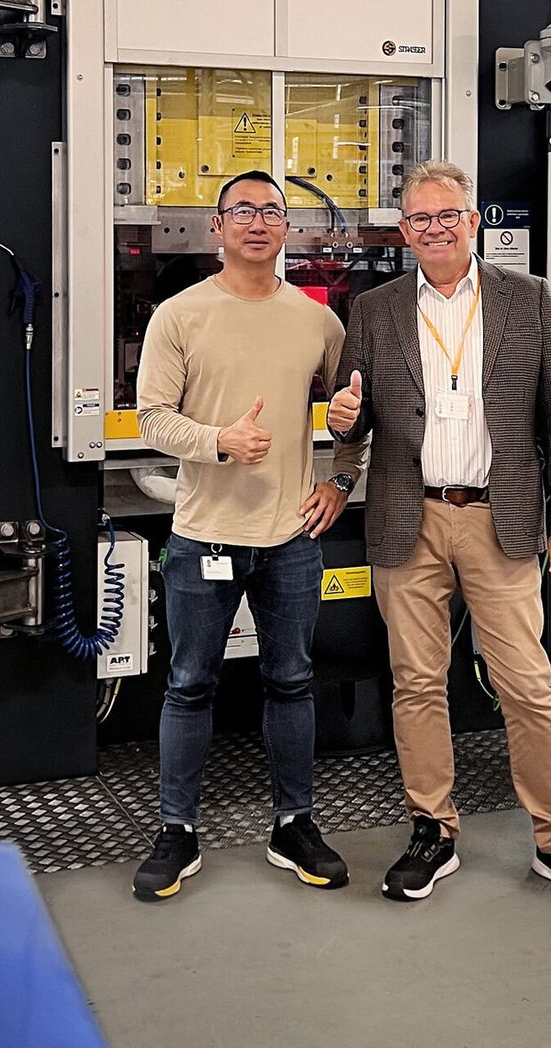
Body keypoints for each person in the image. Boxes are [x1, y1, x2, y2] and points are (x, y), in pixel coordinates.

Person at [328, 160, 551, 908]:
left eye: (447, 215)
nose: (434, 230)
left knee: (526, 684)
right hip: (405, 516)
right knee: (417, 686)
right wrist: (340, 450)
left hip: (502, 517)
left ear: (473, 220)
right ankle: (432, 830)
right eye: (419, 219)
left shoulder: (528, 300)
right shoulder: (376, 308)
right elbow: (353, 414)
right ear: (403, 230)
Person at [129, 170, 366, 902]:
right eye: (242, 211)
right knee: (189, 683)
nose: (257, 222)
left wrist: (341, 479)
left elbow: (354, 413)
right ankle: (178, 830)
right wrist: (219, 441)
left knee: (291, 680)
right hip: (204, 535)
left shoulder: (319, 321)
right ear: (218, 227)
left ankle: (294, 822)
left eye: (271, 211)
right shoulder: (179, 315)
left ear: (287, 227)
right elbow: (151, 418)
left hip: (292, 535)